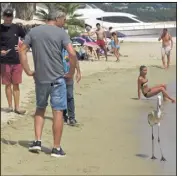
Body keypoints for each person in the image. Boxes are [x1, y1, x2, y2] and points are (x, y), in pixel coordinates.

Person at [19, 11, 77, 157]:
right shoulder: (61, 33)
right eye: (64, 19)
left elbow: (22, 50)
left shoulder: (33, 31)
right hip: (57, 78)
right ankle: (56, 148)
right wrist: (71, 72)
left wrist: (27, 70)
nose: (64, 22)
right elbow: (72, 54)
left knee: (40, 108)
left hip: (40, 78)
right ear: (57, 19)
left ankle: (37, 141)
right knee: (58, 111)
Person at [1, 9, 26, 114]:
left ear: (12, 17)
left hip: (16, 60)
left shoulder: (17, 27)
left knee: (16, 84)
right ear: (3, 16)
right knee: (7, 85)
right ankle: (10, 106)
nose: (8, 18)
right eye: (6, 16)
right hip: (4, 61)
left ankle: (17, 107)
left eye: (10, 16)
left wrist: (22, 47)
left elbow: (27, 38)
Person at [62, 48, 81, 126]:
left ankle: (71, 117)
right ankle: (63, 116)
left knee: (69, 96)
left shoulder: (70, 49)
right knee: (61, 96)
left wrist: (78, 72)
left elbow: (75, 60)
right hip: (59, 76)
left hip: (69, 75)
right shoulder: (55, 48)